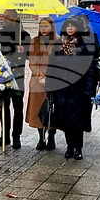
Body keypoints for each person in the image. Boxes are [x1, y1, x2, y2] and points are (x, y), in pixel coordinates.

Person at [49, 17, 98, 160]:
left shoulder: (84, 44)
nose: (70, 28)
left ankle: (78, 148)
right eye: (68, 26)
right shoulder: (59, 44)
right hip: (62, 89)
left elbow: (90, 69)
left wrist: (89, 90)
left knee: (77, 121)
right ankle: (69, 147)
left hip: (78, 89)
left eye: (73, 26)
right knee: (65, 121)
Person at [0, 9, 31, 149]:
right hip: (2, 77)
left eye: (9, 17)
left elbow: (29, 55)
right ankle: (5, 135)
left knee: (18, 107)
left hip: (18, 76)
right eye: (4, 17)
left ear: (16, 18)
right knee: (4, 107)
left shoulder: (24, 35)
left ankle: (16, 136)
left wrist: (22, 51)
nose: (5, 19)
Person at [26, 16, 58, 151]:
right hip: (38, 82)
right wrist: (40, 76)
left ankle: (51, 137)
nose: (43, 29)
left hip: (54, 80)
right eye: (41, 26)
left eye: (46, 26)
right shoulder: (34, 42)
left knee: (52, 110)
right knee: (38, 110)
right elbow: (32, 62)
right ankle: (41, 137)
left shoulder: (58, 42)